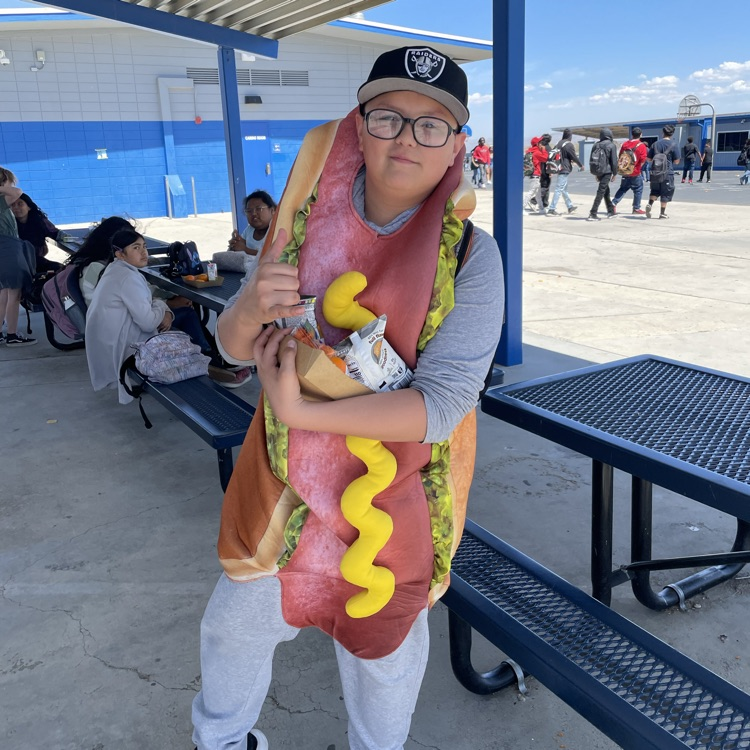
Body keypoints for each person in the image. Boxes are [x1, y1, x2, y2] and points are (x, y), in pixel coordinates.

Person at [191, 45, 504, 750]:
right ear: (357, 124)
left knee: (383, 657)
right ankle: (223, 739)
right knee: (234, 627)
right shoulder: (304, 219)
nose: (406, 138)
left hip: (400, 496)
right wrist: (244, 311)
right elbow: (233, 349)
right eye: (388, 117)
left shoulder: (471, 258)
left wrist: (307, 409)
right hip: (282, 487)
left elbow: (442, 404)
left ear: (457, 144)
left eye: (432, 125)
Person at [84, 228, 250, 398]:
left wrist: (163, 308)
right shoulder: (128, 278)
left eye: (144, 246)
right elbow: (148, 323)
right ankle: (212, 362)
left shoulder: (115, 270)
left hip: (110, 341)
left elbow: (148, 306)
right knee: (186, 315)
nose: (143, 252)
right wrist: (164, 309)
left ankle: (211, 360)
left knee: (183, 315)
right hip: (125, 347)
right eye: (135, 248)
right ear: (120, 254)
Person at [0, 166, 36, 346]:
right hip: (8, 250)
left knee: (4, 295)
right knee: (14, 293)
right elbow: (17, 191)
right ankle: (12, 334)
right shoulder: (1, 200)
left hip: (5, 250)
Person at [10, 193, 62, 276]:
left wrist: (66, 238)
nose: (16, 207)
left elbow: (56, 233)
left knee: (62, 270)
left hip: (36, 261)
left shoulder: (39, 221)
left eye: (20, 204)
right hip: (17, 263)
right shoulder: (9, 225)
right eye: (12, 205)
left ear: (29, 207)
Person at [227, 190, 277, 276]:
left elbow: (274, 258)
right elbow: (241, 246)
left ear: (272, 210)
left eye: (259, 209)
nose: (253, 213)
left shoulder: (276, 231)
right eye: (249, 211)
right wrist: (235, 244)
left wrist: (245, 250)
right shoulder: (249, 230)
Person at [611, 126, 649, 215]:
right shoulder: (641, 145)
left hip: (625, 171)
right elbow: (643, 160)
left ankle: (613, 203)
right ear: (641, 135)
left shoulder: (625, 144)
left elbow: (620, 156)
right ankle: (636, 208)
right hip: (635, 172)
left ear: (632, 134)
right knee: (638, 189)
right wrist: (638, 168)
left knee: (623, 188)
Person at [646, 124, 681, 219]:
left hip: (655, 172)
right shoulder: (674, 144)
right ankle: (662, 213)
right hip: (667, 172)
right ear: (672, 134)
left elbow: (648, 159)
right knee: (666, 192)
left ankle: (650, 204)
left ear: (662, 133)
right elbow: (677, 161)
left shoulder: (655, 144)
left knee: (655, 190)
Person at [547, 128, 582, 216]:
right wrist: (581, 165)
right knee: (559, 189)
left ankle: (570, 206)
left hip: (559, 167)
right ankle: (552, 209)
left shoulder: (558, 143)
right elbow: (574, 156)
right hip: (564, 169)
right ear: (570, 136)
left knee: (564, 189)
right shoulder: (569, 144)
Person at [586, 128, 618, 221]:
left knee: (605, 191)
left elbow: (592, 160)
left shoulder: (596, 145)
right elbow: (614, 162)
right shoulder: (611, 145)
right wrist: (615, 173)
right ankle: (593, 212)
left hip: (598, 171)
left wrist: (595, 173)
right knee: (601, 191)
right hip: (607, 171)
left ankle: (611, 211)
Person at [522, 136, 548, 214]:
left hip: (533, 175)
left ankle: (541, 209)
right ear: (537, 144)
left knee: (538, 194)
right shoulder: (536, 153)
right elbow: (546, 158)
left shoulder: (530, 151)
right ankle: (522, 207)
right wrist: (543, 150)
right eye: (540, 142)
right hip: (536, 175)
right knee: (531, 192)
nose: (542, 144)